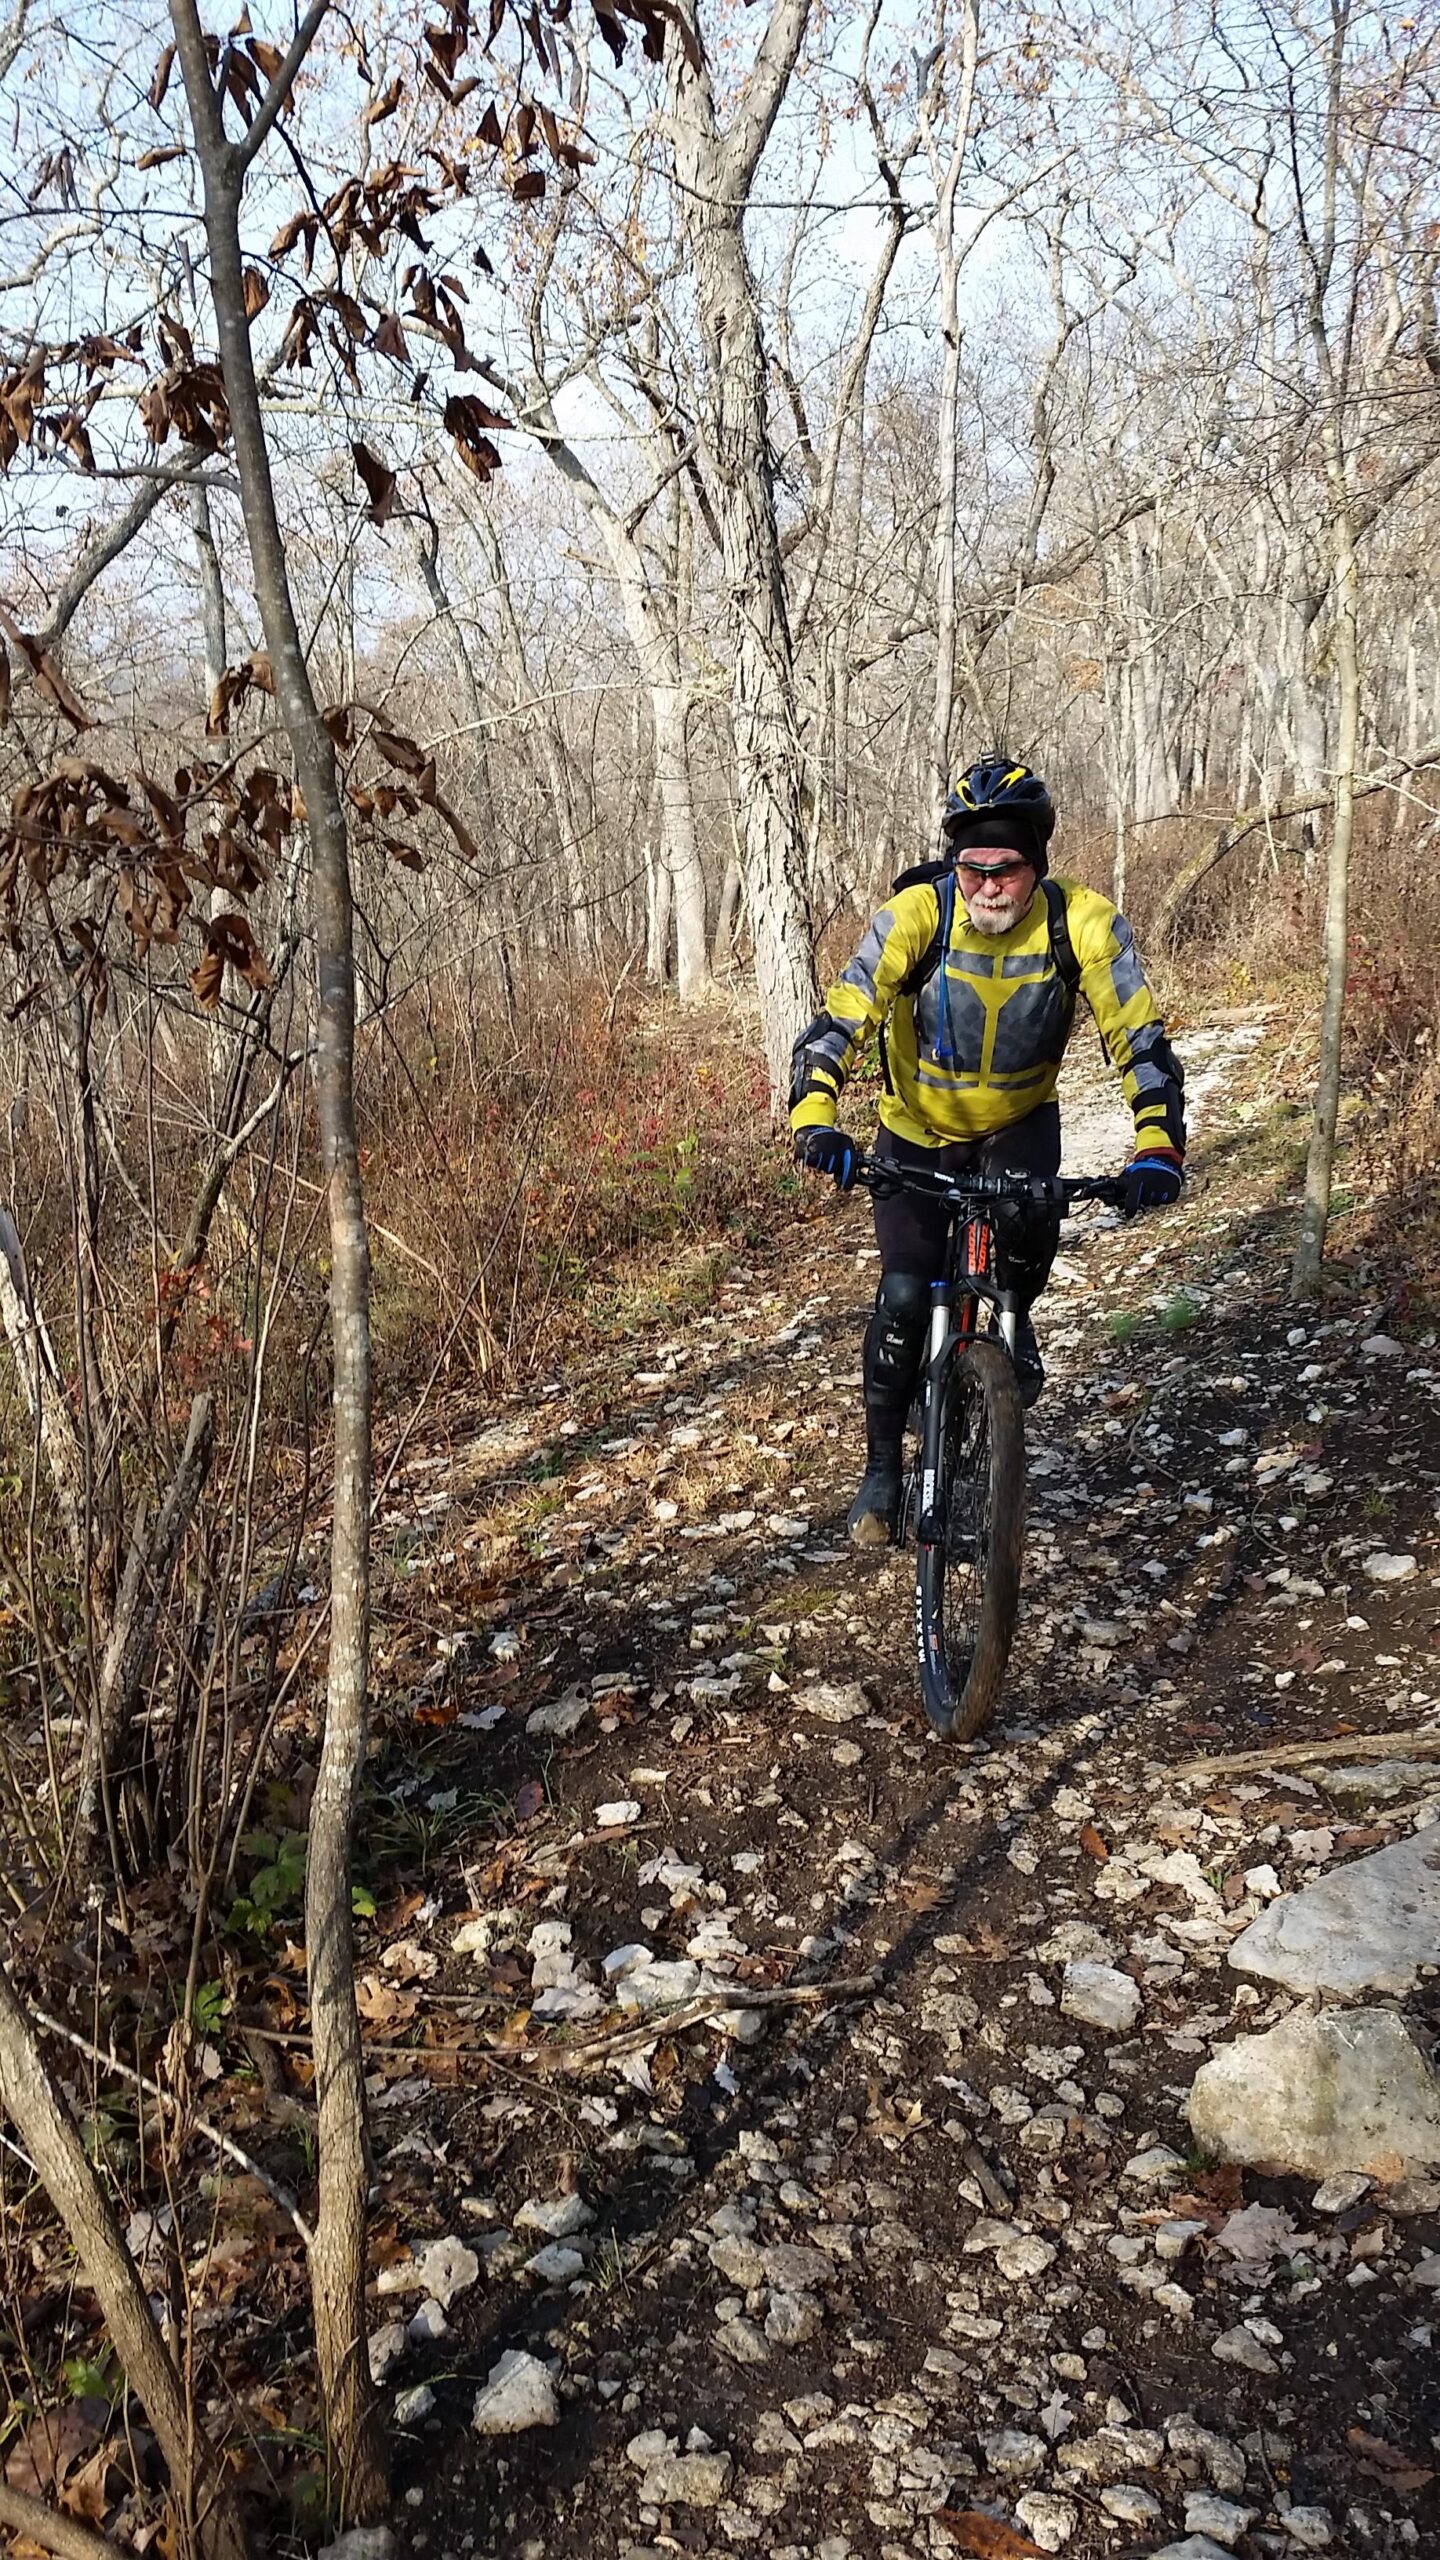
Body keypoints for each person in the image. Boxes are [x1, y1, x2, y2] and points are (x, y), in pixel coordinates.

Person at [789, 757, 1186, 1544]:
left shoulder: (1084, 925)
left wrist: (1156, 1145)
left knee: (1029, 1220)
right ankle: (881, 1471)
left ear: (1037, 865)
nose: (989, 887)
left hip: (1018, 1121)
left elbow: (1138, 1037)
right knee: (904, 1297)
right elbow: (842, 1016)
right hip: (917, 1128)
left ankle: (1013, 1316)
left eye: (1007, 870)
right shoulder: (916, 915)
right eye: (973, 870)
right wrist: (816, 1114)